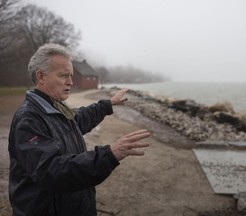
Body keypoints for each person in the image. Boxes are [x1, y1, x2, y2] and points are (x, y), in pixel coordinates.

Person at [8, 43, 150, 216]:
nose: (71, 82)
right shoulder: (29, 119)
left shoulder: (54, 106)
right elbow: (51, 172)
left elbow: (78, 120)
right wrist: (109, 154)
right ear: (41, 76)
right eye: (63, 76)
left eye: (71, 75)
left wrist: (107, 105)